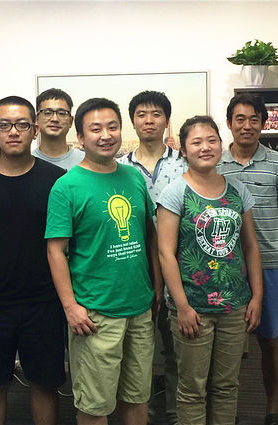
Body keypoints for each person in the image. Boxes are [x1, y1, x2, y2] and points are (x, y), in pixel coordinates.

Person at [45, 97, 162, 425]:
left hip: (139, 308)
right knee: (95, 407)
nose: (106, 135)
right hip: (95, 312)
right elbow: (56, 251)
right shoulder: (66, 186)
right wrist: (70, 307)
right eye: (95, 129)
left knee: (137, 398)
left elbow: (149, 234)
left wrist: (157, 287)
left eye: (113, 127)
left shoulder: (133, 177)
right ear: (80, 137)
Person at [0, 96, 66, 425]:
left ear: (34, 130)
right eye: (4, 125)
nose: (13, 131)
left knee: (44, 384)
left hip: (44, 300)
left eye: (22, 124)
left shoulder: (56, 180)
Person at [157, 115, 263, 425]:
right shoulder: (175, 193)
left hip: (235, 305)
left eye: (211, 140)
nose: (205, 147)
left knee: (227, 386)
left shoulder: (237, 190)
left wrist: (257, 297)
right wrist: (182, 306)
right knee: (192, 389)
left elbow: (250, 247)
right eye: (196, 142)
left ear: (220, 144)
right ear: (183, 150)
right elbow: (166, 254)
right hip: (193, 307)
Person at [218, 93, 278, 425]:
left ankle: (273, 408)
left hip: (268, 263)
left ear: (264, 124)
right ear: (229, 123)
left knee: (269, 338)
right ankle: (226, 411)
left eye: (254, 119)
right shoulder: (215, 162)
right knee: (226, 342)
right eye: (240, 119)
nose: (247, 125)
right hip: (224, 267)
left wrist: (260, 242)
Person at [118, 90, 186, 425]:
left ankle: (174, 412)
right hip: (132, 266)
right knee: (136, 349)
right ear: (132, 120)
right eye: (142, 114)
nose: (149, 121)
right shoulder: (119, 167)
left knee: (177, 346)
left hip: (178, 266)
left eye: (156, 114)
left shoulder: (183, 163)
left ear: (166, 120)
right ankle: (138, 413)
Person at [33, 88, 84, 170]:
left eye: (61, 113)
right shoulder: (26, 163)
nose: (55, 119)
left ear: (71, 121)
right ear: (36, 119)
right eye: (47, 113)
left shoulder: (85, 162)